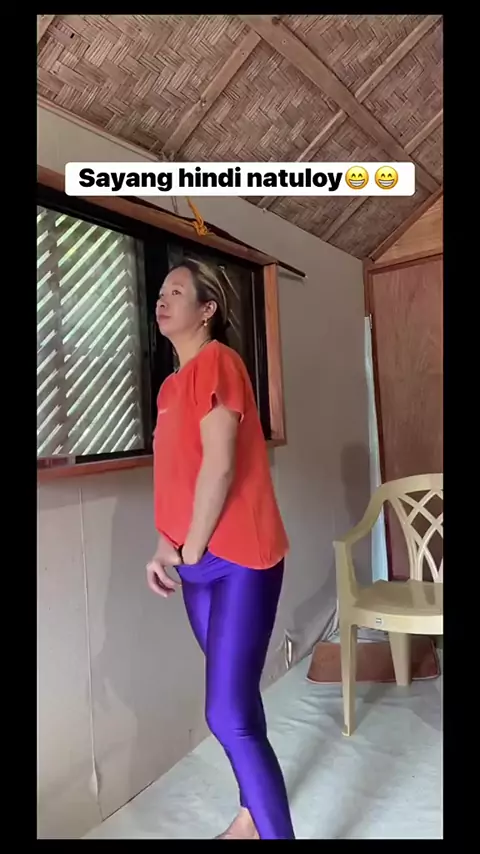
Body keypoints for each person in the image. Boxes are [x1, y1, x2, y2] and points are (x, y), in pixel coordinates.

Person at [146, 258, 295, 840]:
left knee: (225, 713)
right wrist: (165, 546)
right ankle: (251, 816)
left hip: (240, 559)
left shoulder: (219, 363)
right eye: (161, 292)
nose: (162, 299)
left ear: (207, 309)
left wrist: (191, 550)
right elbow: (175, 478)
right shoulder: (169, 387)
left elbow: (220, 468)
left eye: (176, 292)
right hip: (195, 562)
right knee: (238, 701)